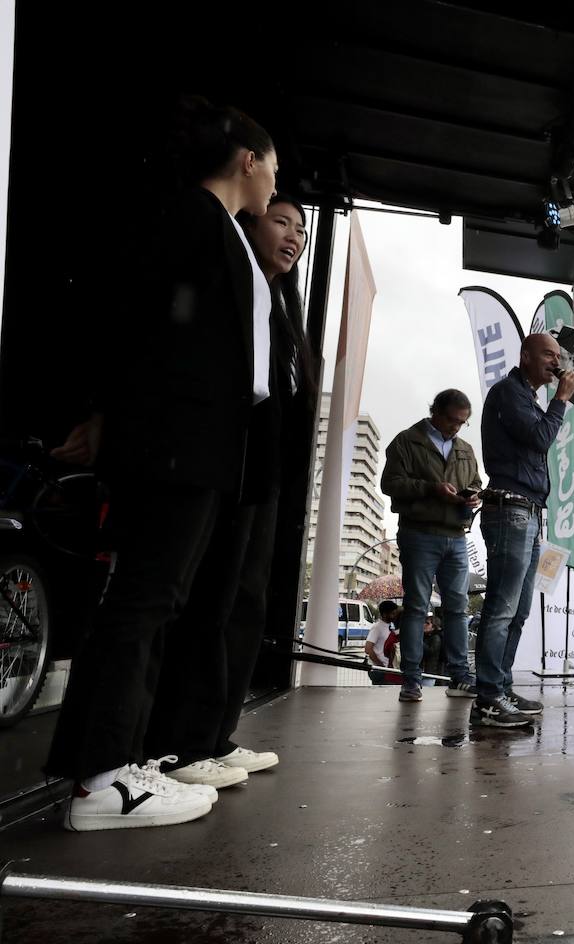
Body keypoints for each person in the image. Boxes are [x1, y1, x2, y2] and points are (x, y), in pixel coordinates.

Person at [46, 99, 278, 831]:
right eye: (274, 168)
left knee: (159, 602)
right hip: (174, 442)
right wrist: (103, 411)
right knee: (143, 601)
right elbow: (132, 320)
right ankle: (102, 779)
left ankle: (120, 764)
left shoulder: (223, 231)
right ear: (248, 160)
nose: (276, 184)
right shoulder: (191, 218)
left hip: (202, 445)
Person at [141, 193, 313, 788]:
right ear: (252, 222)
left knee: (246, 602)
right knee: (208, 603)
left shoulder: (283, 310)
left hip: (263, 478)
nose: (293, 236)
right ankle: (181, 745)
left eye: (301, 230)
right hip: (223, 467)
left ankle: (215, 734)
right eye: (282, 222)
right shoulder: (234, 289)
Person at [470, 333, 574, 726]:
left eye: (558, 356)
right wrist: (562, 400)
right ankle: (486, 697)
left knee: (518, 609)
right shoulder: (508, 393)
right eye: (549, 355)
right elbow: (539, 437)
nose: (556, 362)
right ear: (526, 356)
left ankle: (499, 686)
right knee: (501, 607)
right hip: (510, 508)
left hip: (529, 511)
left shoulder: (528, 397)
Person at [380, 389, 483, 702]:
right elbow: (390, 483)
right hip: (419, 533)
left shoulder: (465, 448)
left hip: (456, 535)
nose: (456, 427)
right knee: (415, 607)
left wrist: (474, 495)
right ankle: (411, 680)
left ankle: (459, 679)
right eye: (452, 420)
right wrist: (431, 489)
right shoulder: (406, 441)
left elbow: (476, 481)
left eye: (462, 423)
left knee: (457, 608)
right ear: (435, 412)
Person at [365, 602, 403, 684]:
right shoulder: (377, 627)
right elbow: (368, 648)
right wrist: (380, 664)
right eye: (393, 613)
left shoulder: (391, 626)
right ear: (385, 614)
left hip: (387, 668)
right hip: (379, 669)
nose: (395, 616)